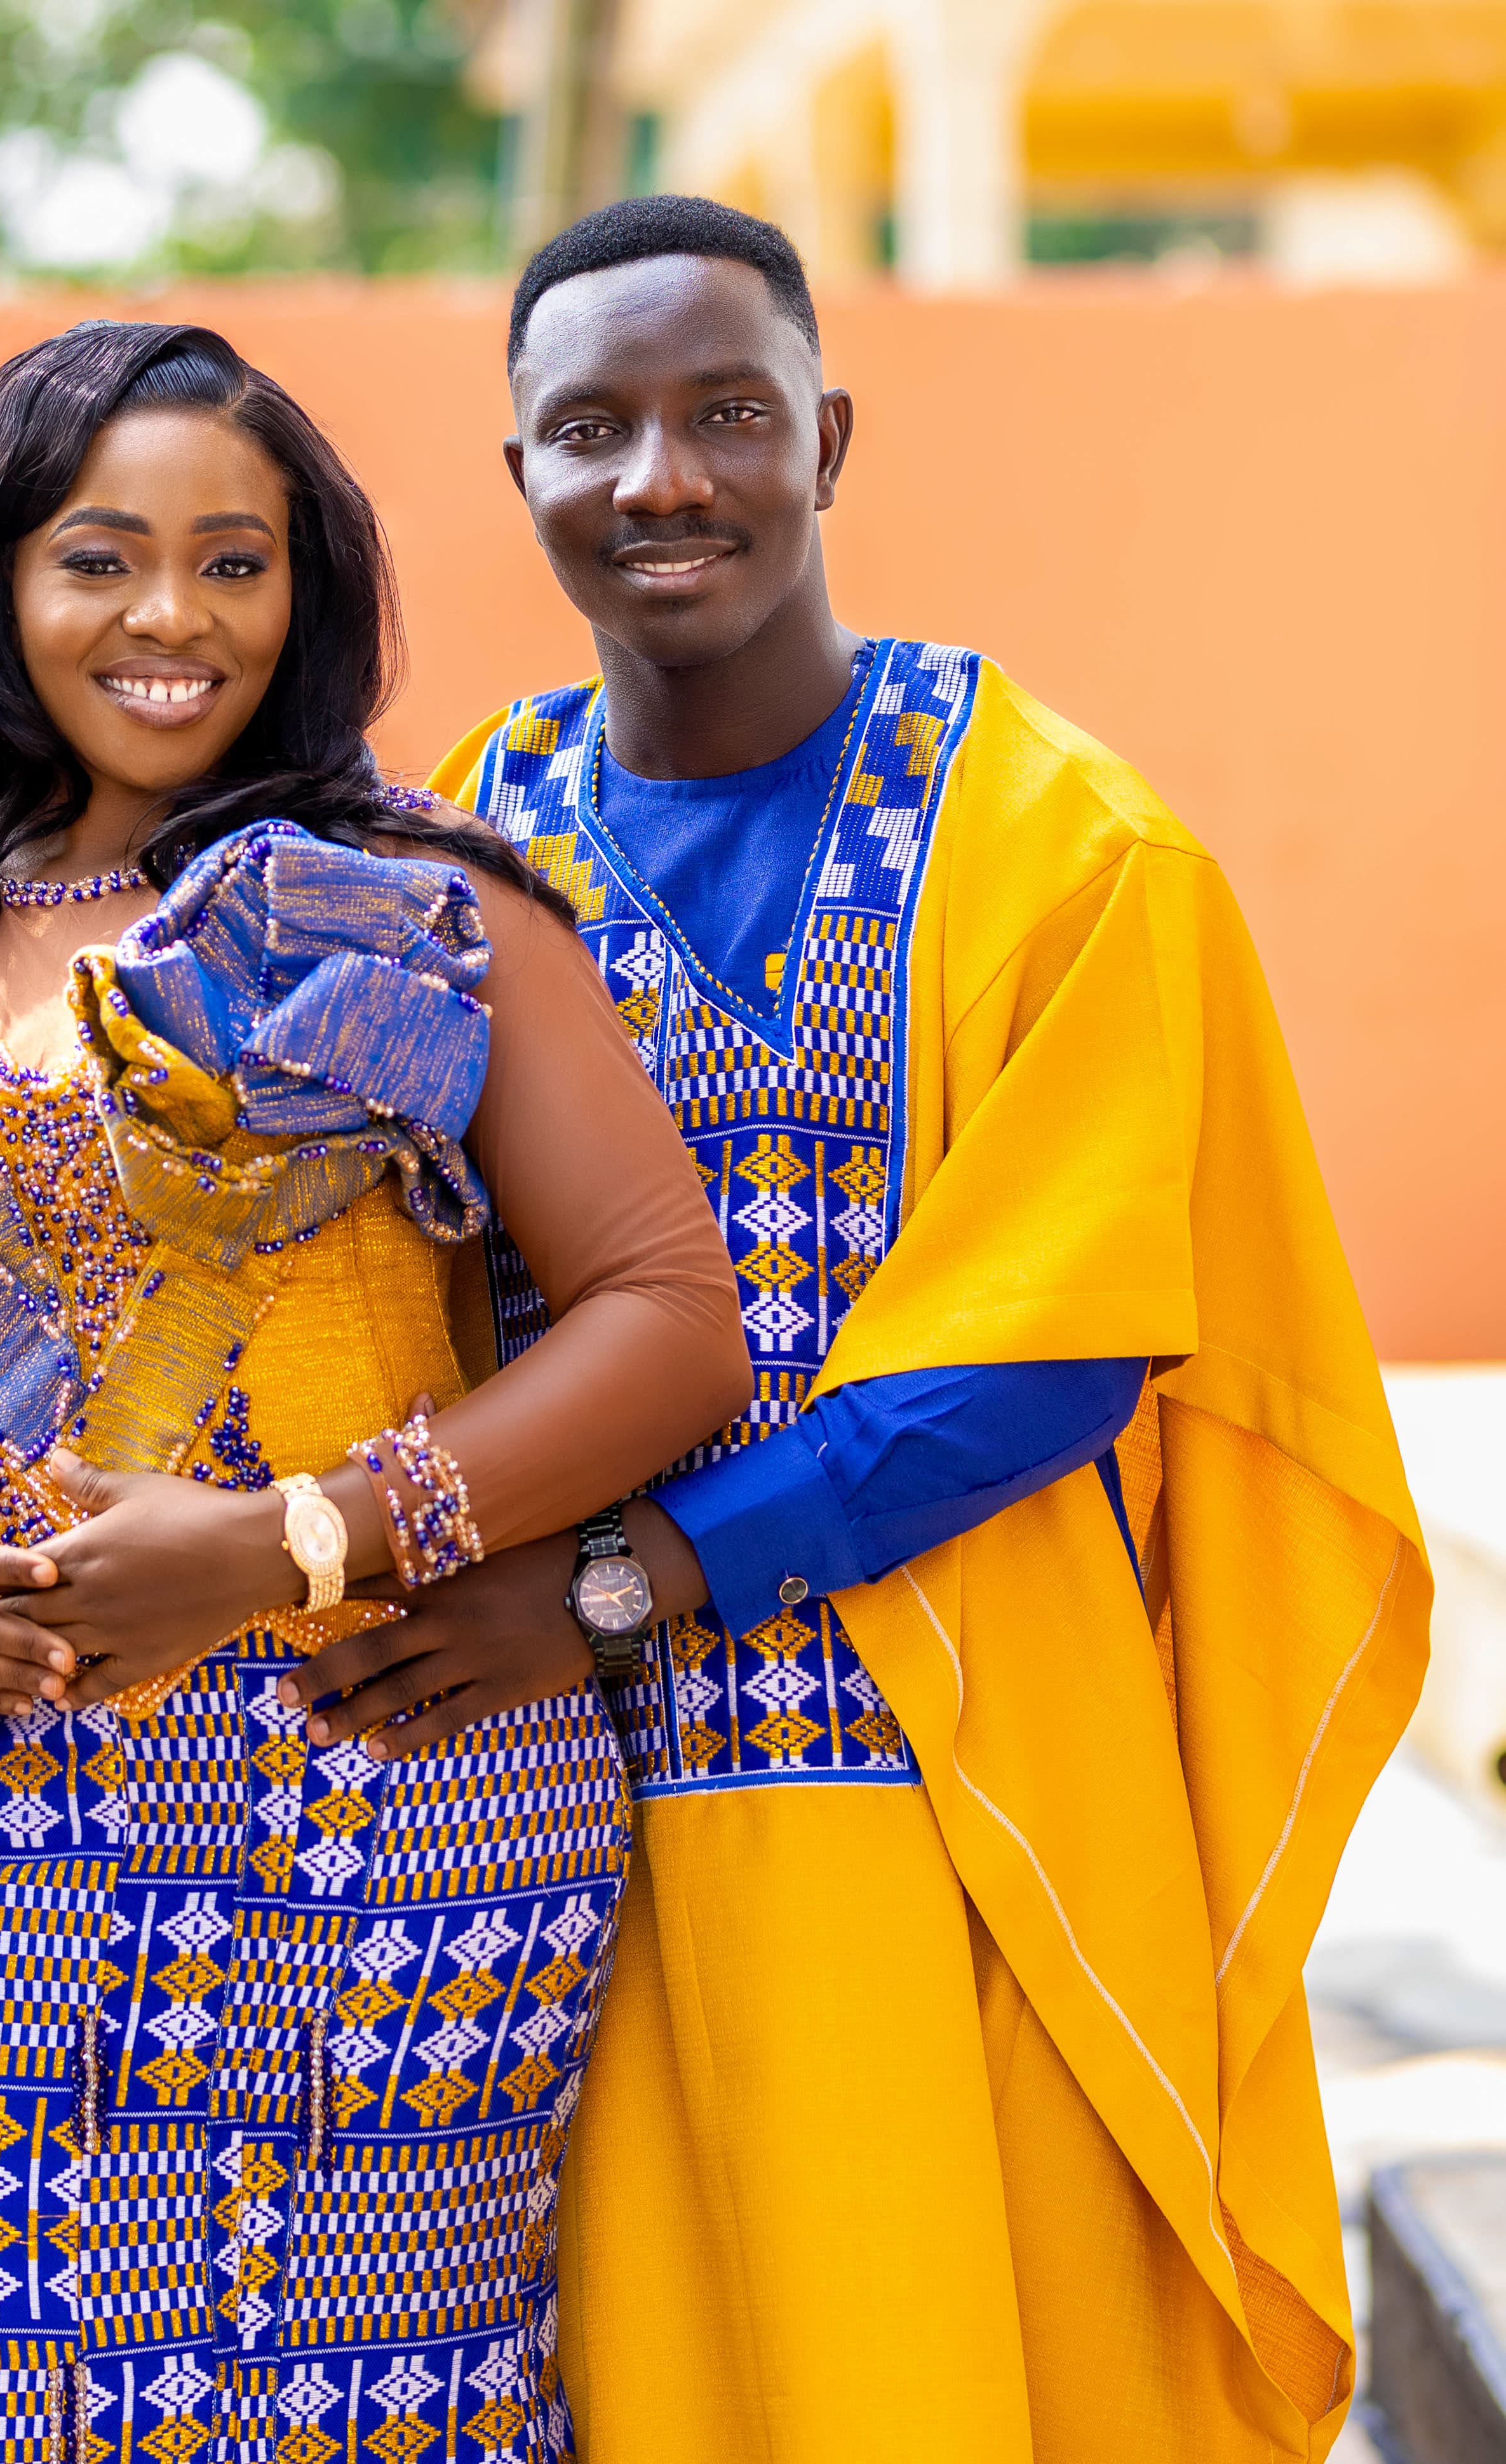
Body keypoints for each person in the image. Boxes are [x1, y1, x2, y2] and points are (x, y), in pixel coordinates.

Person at [259, 198, 1429, 2462]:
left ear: (831, 438)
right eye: (590, 428)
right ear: (520, 479)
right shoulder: (437, 865)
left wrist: (609, 1586)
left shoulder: (1064, 842)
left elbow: (1057, 1340)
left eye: (727, 412)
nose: (662, 477)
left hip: (963, 1769)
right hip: (550, 1821)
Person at [0, 319, 751, 2464]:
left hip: (388, 1798)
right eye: (100, 557)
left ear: (309, 590)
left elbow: (667, 1315)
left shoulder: (417, 907)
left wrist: (295, 1539)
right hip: (9, 1818)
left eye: (234, 562)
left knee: (364, 2414)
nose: (171, 619)